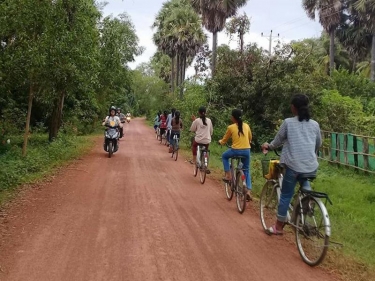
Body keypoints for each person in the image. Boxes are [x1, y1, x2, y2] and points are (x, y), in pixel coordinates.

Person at [261, 94, 322, 235]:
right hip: (311, 166)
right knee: (304, 182)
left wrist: (268, 146)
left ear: (293, 107)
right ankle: (308, 201)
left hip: (293, 166)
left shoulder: (288, 122)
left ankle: (278, 227)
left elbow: (277, 142)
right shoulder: (315, 124)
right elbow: (318, 144)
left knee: (286, 195)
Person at [219, 109, 252, 201]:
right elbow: (250, 138)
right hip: (247, 151)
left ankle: (228, 175)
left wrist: (220, 142)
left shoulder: (231, 127)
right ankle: (248, 191)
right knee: (246, 170)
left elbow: (224, 140)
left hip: (235, 151)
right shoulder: (247, 126)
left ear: (233, 117)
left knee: (224, 156)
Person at [190, 106, 213, 172]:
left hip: (198, 140)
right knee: (206, 150)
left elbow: (192, 129)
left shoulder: (197, 120)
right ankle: (206, 165)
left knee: (194, 145)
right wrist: (209, 135)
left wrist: (194, 121)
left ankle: (194, 160)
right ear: (205, 112)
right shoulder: (209, 120)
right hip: (207, 140)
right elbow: (211, 131)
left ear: (199, 113)